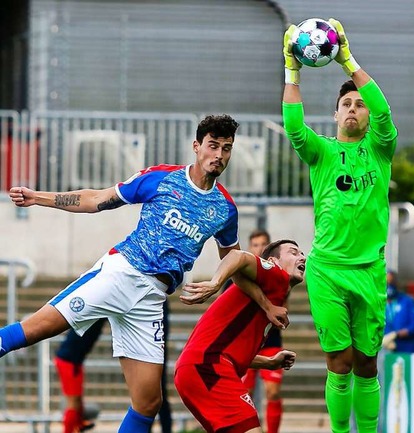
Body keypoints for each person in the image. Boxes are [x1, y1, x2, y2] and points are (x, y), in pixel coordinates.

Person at [3, 114, 287, 433]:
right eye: (213, 146)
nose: (219, 155)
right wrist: (38, 198)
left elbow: (235, 263)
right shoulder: (160, 178)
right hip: (121, 273)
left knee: (148, 402)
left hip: (152, 299)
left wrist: (265, 304)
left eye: (226, 148)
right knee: (34, 330)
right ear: (197, 147)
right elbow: (97, 199)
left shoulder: (224, 209)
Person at [282, 18, 398, 433]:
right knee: (340, 360)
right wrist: (291, 70)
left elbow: (383, 111)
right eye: (345, 105)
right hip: (327, 269)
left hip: (369, 269)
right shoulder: (322, 153)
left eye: (358, 104)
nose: (353, 109)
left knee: (368, 362)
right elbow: (294, 129)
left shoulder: (381, 149)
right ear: (334, 115)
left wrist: (348, 61)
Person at [174, 239, 306, 433]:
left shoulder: (272, 298)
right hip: (208, 367)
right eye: (293, 252)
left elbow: (232, 353)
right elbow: (236, 255)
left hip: (198, 368)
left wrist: (269, 363)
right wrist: (215, 283)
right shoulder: (276, 276)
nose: (302, 256)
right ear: (272, 261)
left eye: (302, 253)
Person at [54, 300, 174, 433]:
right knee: (73, 405)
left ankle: (76, 425)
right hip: (69, 362)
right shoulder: (103, 301)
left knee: (75, 406)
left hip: (69, 360)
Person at [241, 229, 287, 433]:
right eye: (256, 244)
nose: (260, 248)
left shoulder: (278, 276)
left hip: (271, 343)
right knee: (244, 394)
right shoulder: (239, 274)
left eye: (263, 244)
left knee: (273, 391)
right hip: (245, 345)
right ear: (250, 247)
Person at [382, 270, 414, 354]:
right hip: (391, 352)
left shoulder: (407, 301)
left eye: (391, 281)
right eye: (386, 282)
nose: (389, 285)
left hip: (410, 350)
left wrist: (397, 334)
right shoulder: (380, 304)